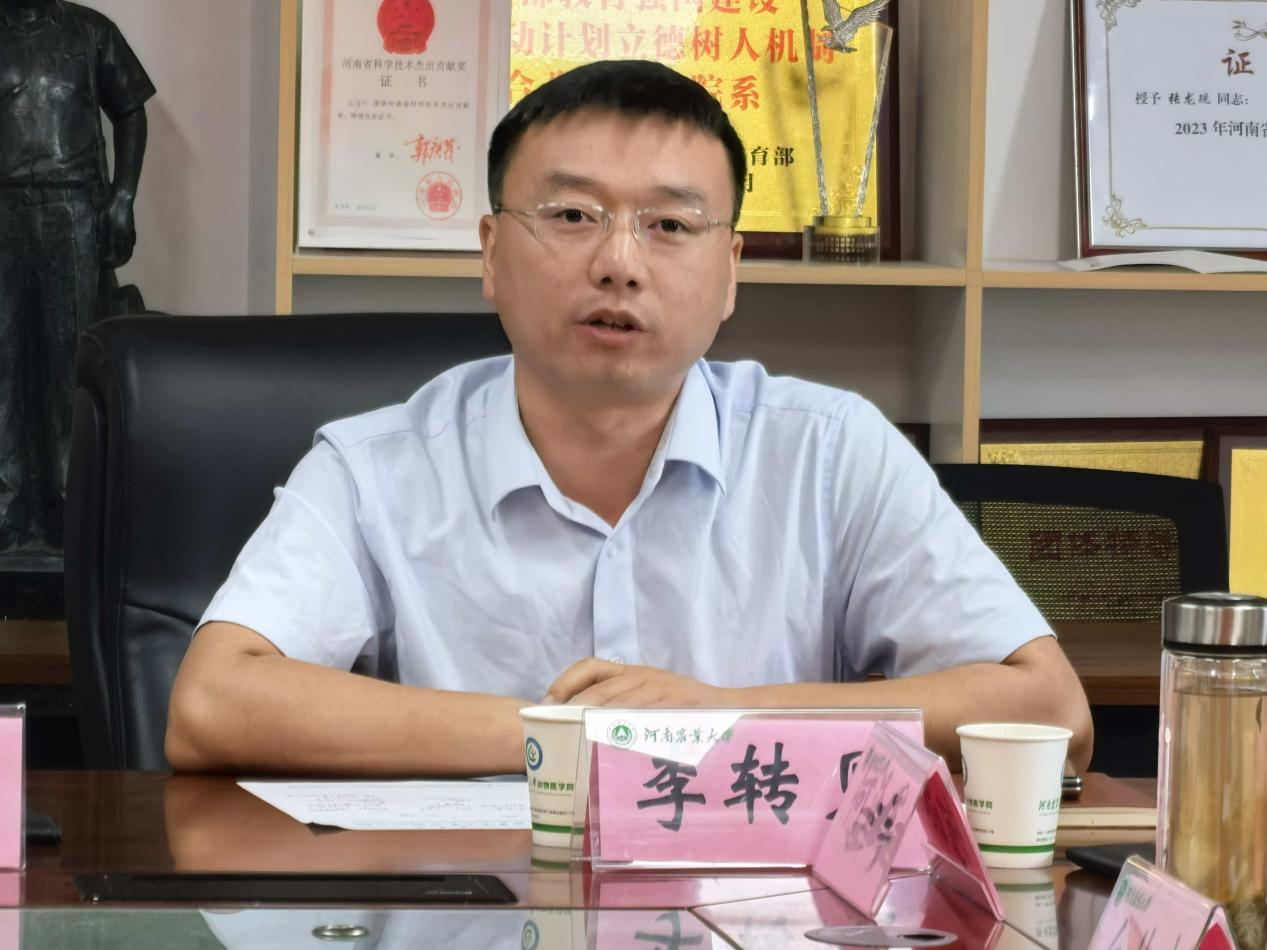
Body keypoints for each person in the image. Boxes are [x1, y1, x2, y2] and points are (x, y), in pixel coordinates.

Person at [166, 60, 1092, 776]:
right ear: (490, 253)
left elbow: (1046, 708)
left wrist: (718, 719)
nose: (619, 263)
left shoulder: (828, 450)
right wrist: (571, 737)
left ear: (729, 274)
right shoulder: (375, 467)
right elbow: (213, 704)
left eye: (669, 226)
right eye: (571, 215)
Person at [0, 0, 154, 550]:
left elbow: (131, 109)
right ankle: (8, 505)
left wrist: (123, 197)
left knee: (70, 359)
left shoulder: (91, 32)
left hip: (72, 210)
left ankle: (70, 504)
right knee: (4, 360)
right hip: (3, 210)